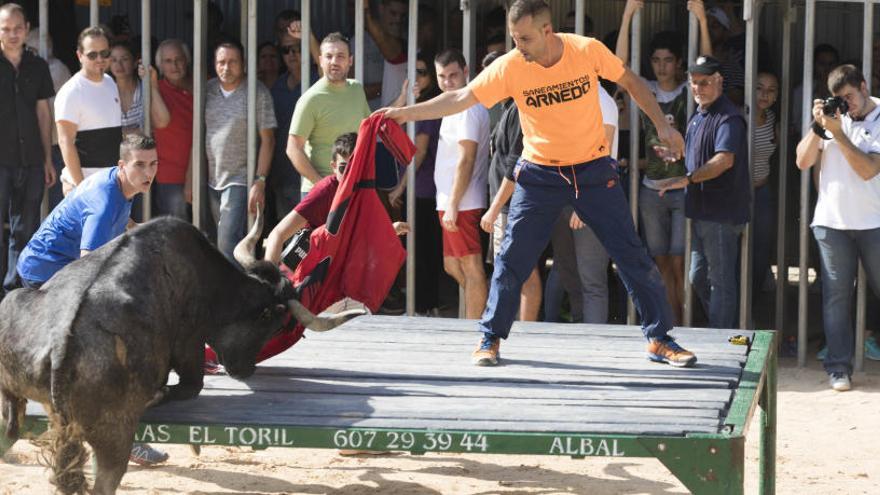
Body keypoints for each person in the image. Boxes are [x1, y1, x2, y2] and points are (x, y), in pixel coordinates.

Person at [381, 0, 696, 368]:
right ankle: (490, 338)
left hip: (593, 171)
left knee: (631, 255)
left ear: (548, 31)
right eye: (515, 39)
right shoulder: (512, 66)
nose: (519, 47)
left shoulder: (585, 50)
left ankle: (659, 339)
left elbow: (630, 80)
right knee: (512, 258)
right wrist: (403, 113)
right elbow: (460, 97)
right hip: (540, 174)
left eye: (525, 39)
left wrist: (662, 125)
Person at [16, 133, 168, 466]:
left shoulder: (122, 187)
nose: (149, 172)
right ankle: (114, 438)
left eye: (153, 164)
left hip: (59, 268)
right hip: (47, 274)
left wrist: (142, 233)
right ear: (121, 166)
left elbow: (119, 225)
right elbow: (88, 268)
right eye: (140, 165)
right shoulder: (105, 200)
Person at [795, 64, 880, 391]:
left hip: (874, 221)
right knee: (836, 298)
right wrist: (819, 128)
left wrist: (839, 133)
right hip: (832, 223)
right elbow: (802, 162)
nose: (847, 104)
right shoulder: (831, 119)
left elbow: (868, 169)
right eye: (839, 99)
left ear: (863, 85)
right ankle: (838, 368)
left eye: (850, 96)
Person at [659, 56, 750, 330]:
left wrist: (688, 179)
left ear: (719, 81)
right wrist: (676, 155)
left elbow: (724, 160)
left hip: (720, 213)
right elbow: (698, 155)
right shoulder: (699, 114)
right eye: (694, 83)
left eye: (705, 82)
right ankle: (723, 326)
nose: (699, 88)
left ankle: (723, 338)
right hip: (701, 211)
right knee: (697, 276)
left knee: (720, 281)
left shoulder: (729, 117)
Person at [617, 1, 689, 324]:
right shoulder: (644, 89)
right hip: (650, 191)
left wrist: (699, 17)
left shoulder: (691, 89)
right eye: (656, 60)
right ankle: (672, 323)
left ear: (679, 63)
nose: (662, 67)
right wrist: (628, 14)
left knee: (680, 265)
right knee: (661, 264)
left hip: (682, 189)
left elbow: (709, 66)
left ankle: (685, 322)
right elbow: (618, 67)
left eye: (668, 60)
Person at [265, 132, 408, 264]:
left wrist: (389, 230)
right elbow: (277, 234)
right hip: (312, 272)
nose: (349, 175)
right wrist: (269, 282)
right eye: (343, 168)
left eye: (355, 168)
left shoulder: (365, 191)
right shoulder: (324, 191)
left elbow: (364, 236)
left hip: (341, 270)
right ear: (333, 167)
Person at [0, 3, 56, 293]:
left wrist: (47, 159)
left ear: (27, 29)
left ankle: (13, 292)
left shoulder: (38, 65)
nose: (12, 34)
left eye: (17, 28)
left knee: (25, 229)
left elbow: (44, 114)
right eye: (6, 29)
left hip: (32, 159)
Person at [432, 49, 490, 321]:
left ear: (467, 72)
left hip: (462, 201)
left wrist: (454, 204)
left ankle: (477, 329)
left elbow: (466, 159)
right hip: (451, 200)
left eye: (453, 75)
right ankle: (486, 312)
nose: (448, 81)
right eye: (442, 76)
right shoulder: (453, 104)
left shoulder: (467, 107)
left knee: (470, 266)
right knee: (451, 265)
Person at [205, 40, 276, 263]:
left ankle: (235, 295)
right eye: (221, 62)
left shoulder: (257, 92)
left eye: (232, 62)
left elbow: (269, 140)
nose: (226, 67)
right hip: (211, 178)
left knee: (227, 241)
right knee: (221, 241)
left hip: (241, 179)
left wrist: (260, 180)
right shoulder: (207, 89)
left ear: (244, 64)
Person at [388, 52, 444, 315]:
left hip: (423, 190)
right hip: (417, 187)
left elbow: (419, 152)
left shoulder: (428, 107)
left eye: (422, 72)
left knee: (422, 251)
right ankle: (423, 303)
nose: (417, 77)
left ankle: (424, 306)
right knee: (417, 249)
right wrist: (403, 94)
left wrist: (400, 188)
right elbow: (384, 121)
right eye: (413, 72)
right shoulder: (414, 104)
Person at [288, 33, 370, 198]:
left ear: (350, 61)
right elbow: (293, 149)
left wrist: (402, 100)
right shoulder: (310, 99)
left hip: (353, 187)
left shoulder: (357, 89)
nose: (334, 61)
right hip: (320, 192)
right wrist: (322, 185)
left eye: (340, 56)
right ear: (320, 60)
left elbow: (370, 126)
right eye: (329, 56)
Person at [55, 26, 122, 197]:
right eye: (92, 55)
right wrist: (81, 188)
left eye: (105, 53)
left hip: (111, 183)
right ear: (80, 55)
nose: (100, 59)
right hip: (85, 187)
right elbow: (65, 142)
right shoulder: (71, 92)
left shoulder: (110, 82)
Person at [150, 39, 193, 220]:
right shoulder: (156, 90)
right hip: (170, 176)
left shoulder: (203, 86)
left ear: (187, 60)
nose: (174, 66)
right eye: (168, 61)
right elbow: (161, 122)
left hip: (206, 173)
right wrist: (151, 85)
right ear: (160, 65)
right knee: (176, 232)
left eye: (178, 59)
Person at [108, 42, 143, 134]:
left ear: (135, 63)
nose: (119, 64)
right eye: (114, 60)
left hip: (144, 147)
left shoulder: (147, 91)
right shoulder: (105, 92)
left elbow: (155, 126)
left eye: (124, 59)